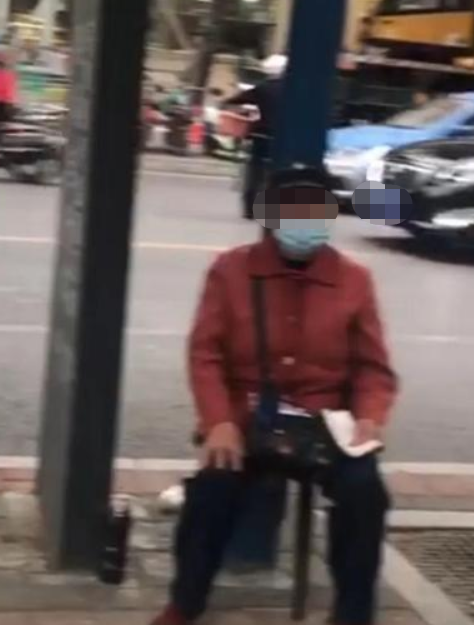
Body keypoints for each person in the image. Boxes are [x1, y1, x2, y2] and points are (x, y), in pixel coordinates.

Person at [151, 168, 398, 625]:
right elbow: (205, 354)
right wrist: (218, 421)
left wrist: (369, 418)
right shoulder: (231, 271)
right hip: (247, 417)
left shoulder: (354, 280)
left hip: (326, 421)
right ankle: (185, 604)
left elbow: (373, 368)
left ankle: (353, 615)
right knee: (211, 490)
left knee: (366, 495)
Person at [224, 54, 286, 219]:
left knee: (255, 172)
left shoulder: (262, 88)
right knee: (279, 173)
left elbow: (236, 100)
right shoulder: (292, 89)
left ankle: (250, 209)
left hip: (261, 135)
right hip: (283, 137)